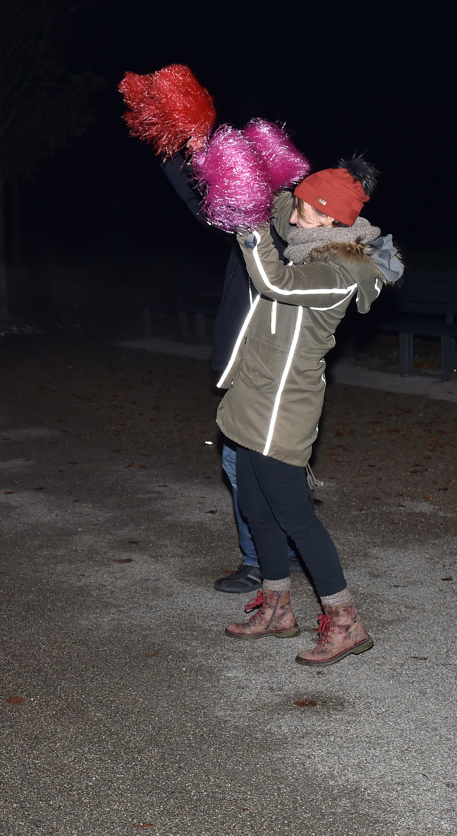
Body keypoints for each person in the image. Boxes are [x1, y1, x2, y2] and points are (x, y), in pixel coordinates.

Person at [217, 159, 403, 665]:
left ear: (325, 218)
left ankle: (347, 622)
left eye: (303, 213)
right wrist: (249, 175)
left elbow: (273, 282)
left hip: (284, 407)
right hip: (255, 395)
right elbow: (279, 208)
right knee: (255, 508)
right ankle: (278, 609)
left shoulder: (337, 272)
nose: (292, 221)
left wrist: (248, 228)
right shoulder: (310, 239)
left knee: (296, 516)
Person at [160, 155, 299, 593]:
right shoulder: (251, 220)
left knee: (251, 465)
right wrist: (174, 151)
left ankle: (264, 559)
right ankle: (274, 553)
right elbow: (199, 200)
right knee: (244, 464)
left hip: (267, 368)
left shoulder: (290, 231)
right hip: (243, 365)